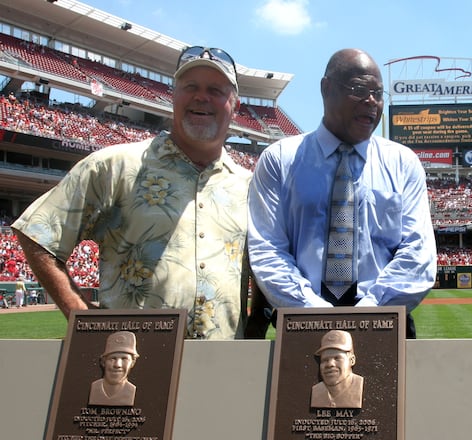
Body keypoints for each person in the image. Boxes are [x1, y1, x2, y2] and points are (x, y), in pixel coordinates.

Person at [12, 46, 261, 339]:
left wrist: (255, 325)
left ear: (235, 103)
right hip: (134, 362)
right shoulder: (114, 165)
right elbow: (38, 234)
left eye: (215, 90)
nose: (201, 97)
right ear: (174, 96)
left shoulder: (250, 185)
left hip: (224, 366)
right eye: (190, 86)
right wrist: (79, 315)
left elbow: (262, 270)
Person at [248, 48, 436, 339]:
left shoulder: (403, 163)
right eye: (359, 89)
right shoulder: (279, 159)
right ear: (326, 89)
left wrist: (368, 315)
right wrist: (315, 316)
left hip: (387, 324)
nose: (371, 101)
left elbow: (418, 254)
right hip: (301, 325)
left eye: (378, 92)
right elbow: (268, 250)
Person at [311, 330, 364, 409]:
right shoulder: (316, 392)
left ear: (352, 360)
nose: (330, 364)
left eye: (337, 358)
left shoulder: (359, 387)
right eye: (325, 360)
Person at [89, 331, 140, 406]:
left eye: (124, 359)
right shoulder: (95, 387)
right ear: (103, 362)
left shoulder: (131, 390)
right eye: (112, 359)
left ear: (132, 363)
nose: (117, 365)